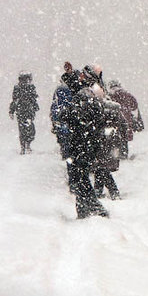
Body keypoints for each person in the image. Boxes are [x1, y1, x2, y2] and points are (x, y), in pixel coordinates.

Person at [60, 65, 110, 218]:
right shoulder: (92, 92)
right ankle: (84, 208)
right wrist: (70, 73)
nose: (79, 75)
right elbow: (72, 82)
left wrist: (65, 113)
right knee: (80, 176)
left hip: (83, 142)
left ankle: (93, 207)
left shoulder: (85, 96)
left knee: (80, 176)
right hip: (87, 142)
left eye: (82, 73)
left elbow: (75, 116)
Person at [108, 79, 142, 160]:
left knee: (113, 138)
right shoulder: (127, 95)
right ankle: (123, 154)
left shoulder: (109, 95)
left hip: (114, 121)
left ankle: (113, 155)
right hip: (126, 120)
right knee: (124, 138)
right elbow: (134, 105)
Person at [50, 68, 79, 160]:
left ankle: (66, 152)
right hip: (70, 115)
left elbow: (56, 104)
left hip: (63, 115)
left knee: (63, 134)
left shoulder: (61, 89)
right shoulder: (77, 88)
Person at [9, 72, 39, 154]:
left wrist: (11, 111)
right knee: (29, 129)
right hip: (27, 111)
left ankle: (24, 146)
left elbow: (15, 100)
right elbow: (33, 99)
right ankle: (26, 145)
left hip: (22, 111)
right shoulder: (29, 87)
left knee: (23, 129)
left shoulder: (19, 87)